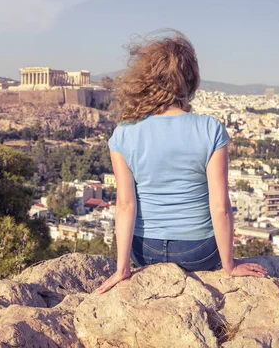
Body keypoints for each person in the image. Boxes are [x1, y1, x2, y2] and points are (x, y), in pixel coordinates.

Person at [96, 30, 267, 294]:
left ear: (147, 79)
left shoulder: (124, 132)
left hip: (145, 251)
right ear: (191, 79)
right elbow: (220, 206)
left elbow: (125, 204)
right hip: (199, 251)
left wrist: (122, 269)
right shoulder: (210, 129)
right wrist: (229, 265)